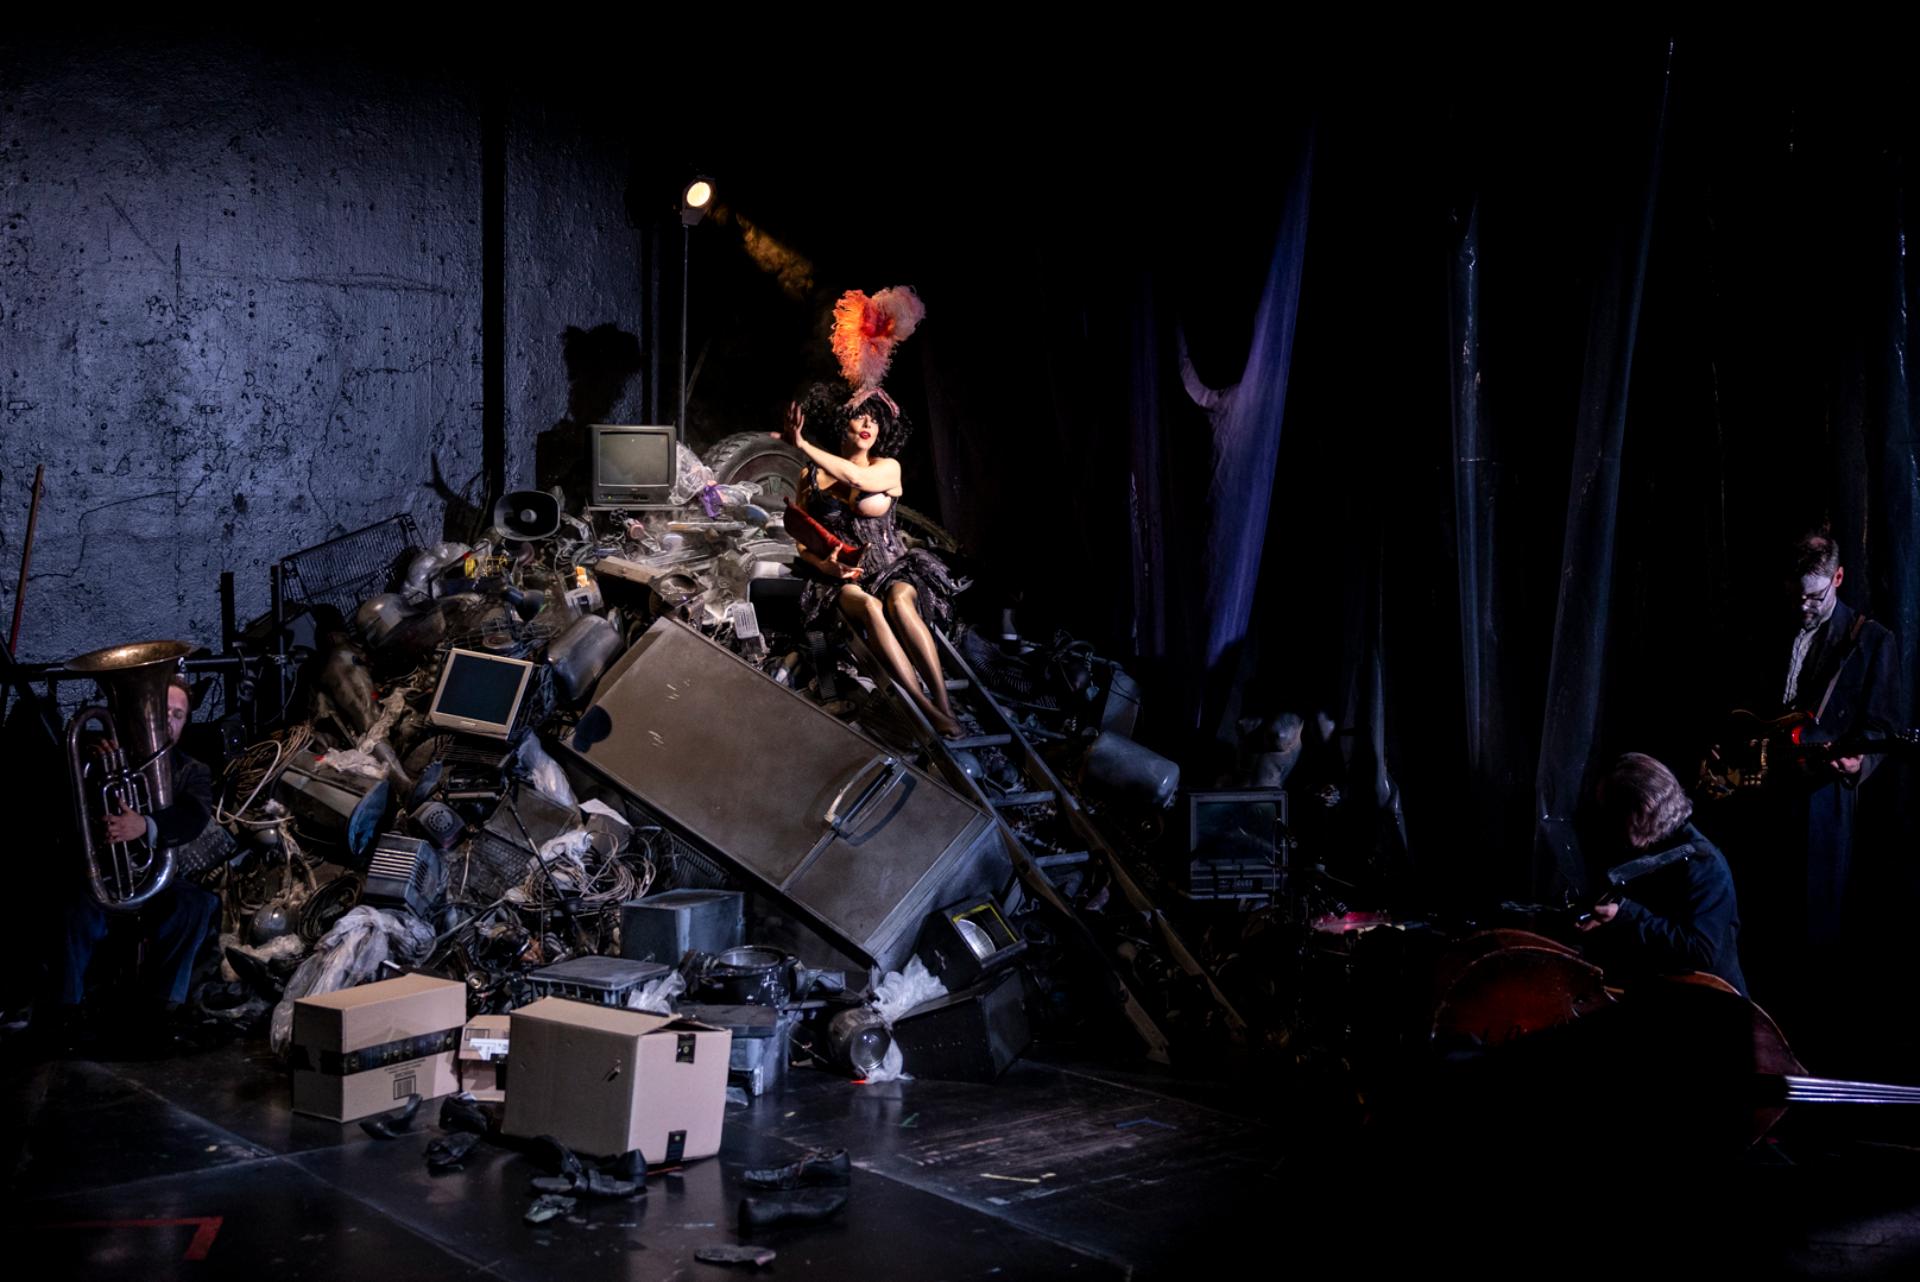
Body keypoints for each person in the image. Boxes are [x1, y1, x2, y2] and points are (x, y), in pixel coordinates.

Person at [778, 387, 966, 736]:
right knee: (868, 606)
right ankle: (924, 710)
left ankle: (943, 704)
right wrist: (823, 566)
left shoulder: (887, 468)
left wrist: (801, 444)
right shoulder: (811, 477)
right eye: (859, 416)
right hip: (842, 579)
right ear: (841, 422)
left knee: (899, 601)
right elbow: (802, 538)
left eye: (876, 420)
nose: (868, 424)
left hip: (892, 568)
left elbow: (855, 478)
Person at [43, 674, 219, 1045]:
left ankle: (162, 1008)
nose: (168, 721)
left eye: (178, 715)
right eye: (162, 711)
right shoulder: (101, 757)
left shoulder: (192, 769)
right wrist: (94, 775)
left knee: (197, 904)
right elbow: (61, 815)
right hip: (102, 877)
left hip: (156, 880)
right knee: (71, 906)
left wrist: (145, 826)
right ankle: (66, 1011)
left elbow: (193, 817)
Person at [1579, 752, 1747, 996]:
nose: (1609, 823)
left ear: (1642, 811)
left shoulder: (1704, 864)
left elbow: (1701, 951)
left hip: (1714, 1010)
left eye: (1614, 812)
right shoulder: (1651, 849)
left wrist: (1625, 914)